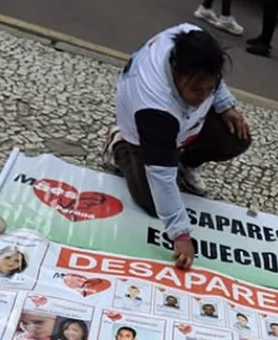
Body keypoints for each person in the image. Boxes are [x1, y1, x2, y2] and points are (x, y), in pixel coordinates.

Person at [103, 25, 251, 271]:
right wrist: (180, 234)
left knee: (236, 136)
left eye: (209, 89)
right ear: (175, 71)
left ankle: (184, 164)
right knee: (152, 202)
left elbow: (212, 79)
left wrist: (225, 104)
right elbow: (161, 175)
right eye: (197, 90)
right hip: (142, 133)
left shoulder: (192, 38)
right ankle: (119, 144)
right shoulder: (154, 105)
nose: (203, 96)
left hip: (182, 125)